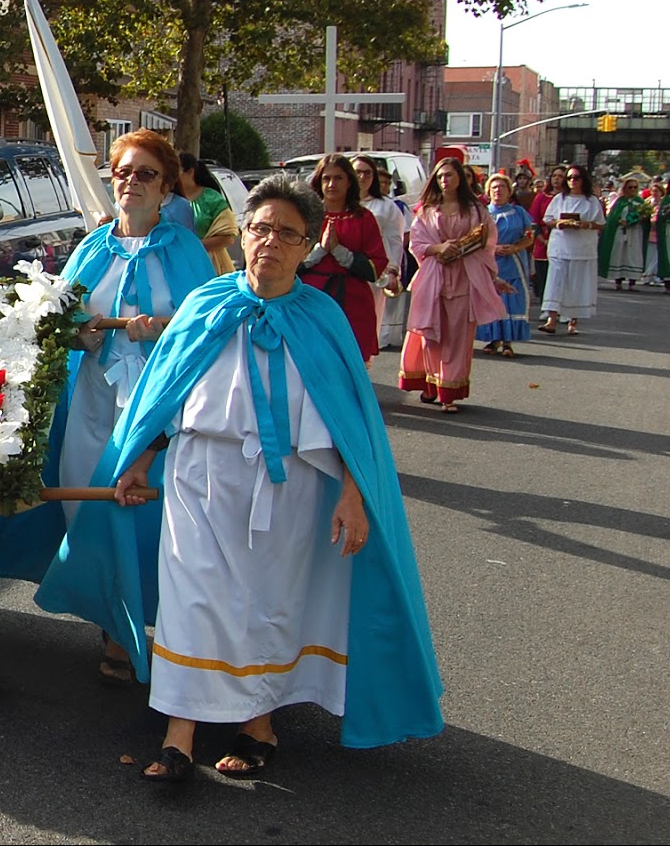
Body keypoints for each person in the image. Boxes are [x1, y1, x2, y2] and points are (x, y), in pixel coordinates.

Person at [99, 174, 442, 783]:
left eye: (288, 233)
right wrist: (140, 462)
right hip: (199, 479)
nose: (271, 243)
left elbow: (352, 423)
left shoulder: (322, 317)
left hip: (293, 487)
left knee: (269, 605)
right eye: (261, 229)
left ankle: (258, 722)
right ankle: (180, 734)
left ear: (308, 245)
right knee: (193, 600)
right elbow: (165, 394)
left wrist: (354, 497)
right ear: (245, 233)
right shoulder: (208, 305)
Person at [13, 132, 215, 684]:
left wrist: (163, 332)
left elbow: (207, 330)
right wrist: (76, 334)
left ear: (168, 186)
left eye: (145, 174)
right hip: (94, 400)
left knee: (148, 513)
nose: (130, 182)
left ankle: (158, 629)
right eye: (123, 172)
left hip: (159, 412)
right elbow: (58, 317)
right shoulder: (93, 247)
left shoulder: (185, 250)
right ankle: (113, 624)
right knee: (89, 503)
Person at [399, 157, 509, 413]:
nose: (444, 180)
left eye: (449, 175)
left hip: (464, 277)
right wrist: (440, 248)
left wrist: (466, 253)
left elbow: (487, 242)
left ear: (461, 177)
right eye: (440, 176)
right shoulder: (427, 210)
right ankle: (430, 382)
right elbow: (416, 244)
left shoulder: (475, 210)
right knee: (430, 334)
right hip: (433, 276)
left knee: (458, 336)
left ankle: (449, 392)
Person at [299, 154, 388, 363]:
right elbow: (291, 260)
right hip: (312, 298)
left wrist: (340, 252)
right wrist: (320, 250)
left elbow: (376, 267)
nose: (331, 184)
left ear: (349, 182)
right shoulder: (305, 217)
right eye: (326, 178)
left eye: (338, 178)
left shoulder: (363, 218)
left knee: (350, 362)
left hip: (353, 301)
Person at [539, 166, 606, 335]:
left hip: (582, 248)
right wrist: (559, 223)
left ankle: (572, 321)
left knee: (577, 284)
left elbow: (601, 224)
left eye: (576, 177)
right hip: (560, 246)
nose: (572, 181)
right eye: (569, 178)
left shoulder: (591, 201)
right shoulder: (559, 199)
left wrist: (586, 225)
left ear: (583, 179)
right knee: (556, 282)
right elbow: (547, 219)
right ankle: (551, 319)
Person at [475, 173, 535, 357]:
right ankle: (493, 339)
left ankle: (508, 342)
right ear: (488, 191)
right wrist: (492, 248)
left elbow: (529, 236)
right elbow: (474, 238)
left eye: (502, 187)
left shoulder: (518, 213)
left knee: (511, 300)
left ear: (509, 191)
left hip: (513, 262)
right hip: (489, 262)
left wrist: (516, 247)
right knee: (491, 298)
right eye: (494, 187)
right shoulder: (482, 214)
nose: (498, 191)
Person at [352, 155, 408, 351]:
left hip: (373, 271)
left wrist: (393, 270)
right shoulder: (338, 203)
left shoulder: (385, 206)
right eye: (358, 172)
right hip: (340, 270)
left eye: (367, 173)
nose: (362, 177)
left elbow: (395, 240)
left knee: (366, 322)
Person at [176, 152, 239, 275]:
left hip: (211, 267)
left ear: (190, 172)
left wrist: (190, 247)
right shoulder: (167, 200)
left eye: (176, 172)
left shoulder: (211, 198)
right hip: (178, 268)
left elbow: (228, 237)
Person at [600, 175, 650, 290]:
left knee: (633, 256)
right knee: (619, 255)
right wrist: (620, 221)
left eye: (634, 187)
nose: (632, 189)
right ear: (625, 188)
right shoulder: (620, 202)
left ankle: (632, 282)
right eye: (630, 187)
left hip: (635, 232)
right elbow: (612, 217)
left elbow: (646, 217)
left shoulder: (640, 202)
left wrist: (642, 218)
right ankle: (618, 281)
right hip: (621, 231)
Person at [528, 165, 567, 304]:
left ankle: (562, 305)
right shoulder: (542, 197)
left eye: (561, 176)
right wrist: (543, 240)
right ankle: (546, 304)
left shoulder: (570, 198)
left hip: (565, 243)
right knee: (544, 277)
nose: (557, 179)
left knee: (563, 277)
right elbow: (534, 221)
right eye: (554, 176)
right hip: (543, 243)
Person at [650, 178, 670, 292]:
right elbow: (662, 215)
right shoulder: (667, 200)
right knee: (669, 255)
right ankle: (668, 283)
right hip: (669, 230)